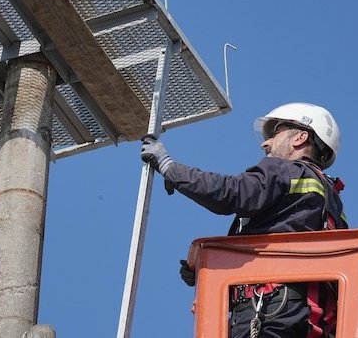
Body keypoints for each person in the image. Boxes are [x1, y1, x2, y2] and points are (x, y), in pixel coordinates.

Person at [141, 102, 347, 338]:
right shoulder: (333, 204)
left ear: (300, 138)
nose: (265, 143)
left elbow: (232, 193)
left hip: (269, 311)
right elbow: (282, 252)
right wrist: (207, 272)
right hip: (311, 321)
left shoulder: (284, 170)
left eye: (276, 132)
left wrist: (170, 168)